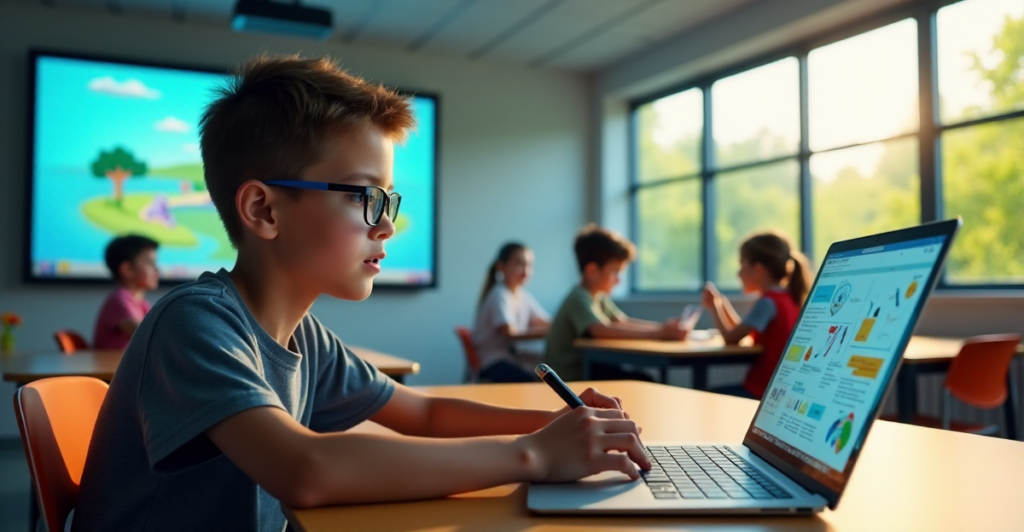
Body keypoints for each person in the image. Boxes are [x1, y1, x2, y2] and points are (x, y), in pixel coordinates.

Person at [72, 55, 649, 532]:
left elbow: (421, 411)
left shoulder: (301, 337)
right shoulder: (194, 323)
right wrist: (537, 457)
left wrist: (555, 424)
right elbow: (307, 468)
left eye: (389, 201)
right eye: (364, 196)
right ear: (263, 209)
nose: (387, 226)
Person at [543, 224, 686, 382]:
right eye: (615, 271)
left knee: (643, 378)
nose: (618, 280)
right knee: (643, 380)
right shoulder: (579, 297)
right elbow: (600, 330)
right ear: (592, 271)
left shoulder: (598, 296)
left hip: (590, 372)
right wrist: (659, 334)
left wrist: (663, 328)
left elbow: (622, 321)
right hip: (570, 381)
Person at [702, 231, 811, 400]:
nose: (738, 273)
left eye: (742, 264)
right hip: (778, 390)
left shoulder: (767, 303)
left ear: (758, 270)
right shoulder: (788, 298)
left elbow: (731, 338)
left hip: (761, 391)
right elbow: (742, 329)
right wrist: (722, 304)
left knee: (706, 396)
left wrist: (715, 307)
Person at [472, 242, 550, 382]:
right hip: (493, 361)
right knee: (536, 382)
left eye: (529, 265)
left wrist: (561, 325)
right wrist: (551, 332)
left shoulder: (522, 295)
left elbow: (543, 322)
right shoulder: (499, 294)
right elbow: (509, 332)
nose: (525, 271)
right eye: (519, 264)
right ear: (501, 266)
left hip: (512, 358)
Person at [92, 234, 160, 350]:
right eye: (150, 263)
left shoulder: (141, 304)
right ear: (127, 269)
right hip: (110, 367)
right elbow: (146, 335)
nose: (157, 269)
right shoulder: (119, 300)